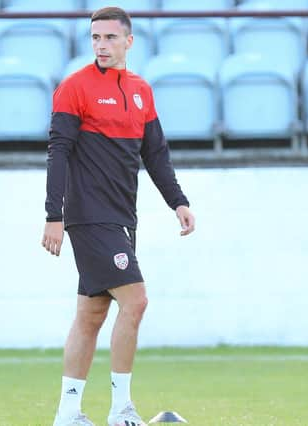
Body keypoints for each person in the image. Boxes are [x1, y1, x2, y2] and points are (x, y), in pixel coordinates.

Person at [42, 6, 195, 426]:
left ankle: (68, 414)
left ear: (129, 41)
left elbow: (155, 155)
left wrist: (178, 201)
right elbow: (58, 153)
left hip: (122, 218)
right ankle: (121, 410)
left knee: (90, 315)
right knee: (136, 300)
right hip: (89, 217)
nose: (101, 45)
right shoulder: (74, 88)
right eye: (95, 38)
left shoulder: (142, 91)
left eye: (110, 38)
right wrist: (53, 214)